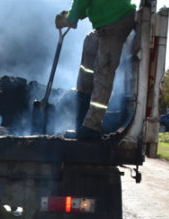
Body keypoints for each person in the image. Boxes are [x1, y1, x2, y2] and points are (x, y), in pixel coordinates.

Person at [56, 0, 137, 140]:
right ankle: (83, 107)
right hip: (106, 24)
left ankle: (91, 127)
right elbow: (81, 8)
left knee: (104, 73)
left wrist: (68, 19)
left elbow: (78, 8)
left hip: (117, 21)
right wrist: (71, 17)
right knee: (89, 42)